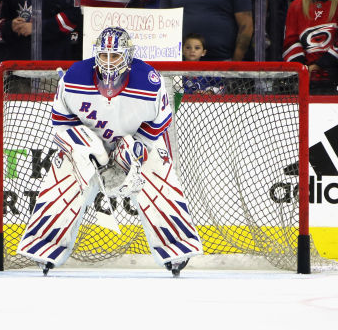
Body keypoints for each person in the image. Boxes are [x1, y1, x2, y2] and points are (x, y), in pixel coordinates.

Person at [17, 26, 201, 276]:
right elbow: (61, 123)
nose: (108, 61)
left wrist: (137, 148)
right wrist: (88, 149)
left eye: (115, 56)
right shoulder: (73, 77)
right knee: (63, 180)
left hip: (137, 140)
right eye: (103, 55)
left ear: (128, 56)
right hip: (91, 142)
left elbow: (161, 121)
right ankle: (44, 245)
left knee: (159, 179)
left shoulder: (149, 80)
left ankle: (177, 247)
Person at [283, 0, 338, 92]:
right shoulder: (296, 6)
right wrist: (303, 67)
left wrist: (321, 64)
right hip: (304, 75)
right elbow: (290, 40)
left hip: (333, 73)